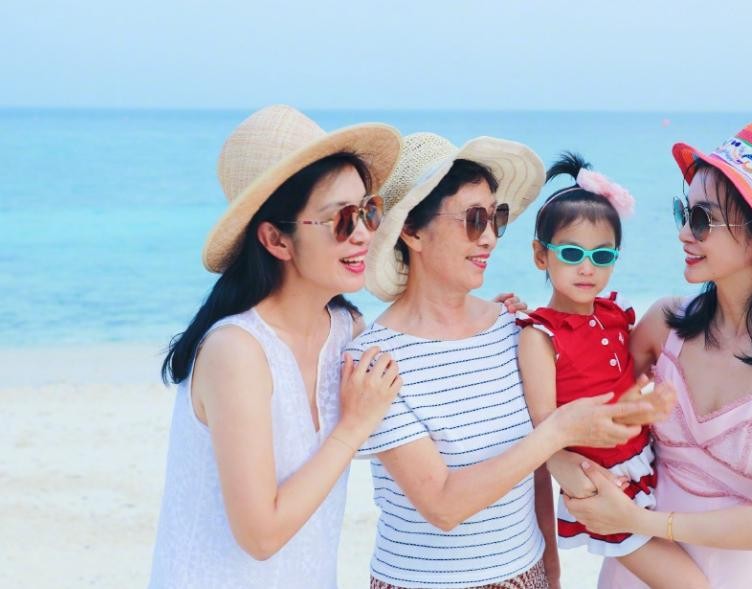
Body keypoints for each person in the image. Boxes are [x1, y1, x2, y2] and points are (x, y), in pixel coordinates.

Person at [348, 133, 668, 589]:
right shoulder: (375, 360)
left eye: (495, 218)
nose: (490, 238)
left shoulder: (511, 327)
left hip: (526, 574)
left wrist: (550, 570)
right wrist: (559, 431)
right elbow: (443, 506)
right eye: (473, 220)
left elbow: (534, 470)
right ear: (412, 231)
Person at [559, 120, 752, 588]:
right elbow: (581, 401)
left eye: (703, 220)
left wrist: (636, 521)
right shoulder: (664, 324)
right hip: (634, 572)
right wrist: (524, 325)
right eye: (684, 212)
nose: (683, 234)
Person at [149, 105, 403, 588]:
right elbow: (260, 535)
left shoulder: (346, 330)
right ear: (275, 240)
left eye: (368, 211)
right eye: (341, 220)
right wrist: (351, 428)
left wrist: (483, 318)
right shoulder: (236, 350)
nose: (364, 234)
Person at [517, 152, 708, 588]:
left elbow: (623, 386)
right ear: (540, 255)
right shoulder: (540, 334)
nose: (587, 268)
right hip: (600, 482)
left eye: (602, 256)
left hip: (645, 463)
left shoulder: (614, 315)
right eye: (571, 253)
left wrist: (645, 404)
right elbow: (545, 424)